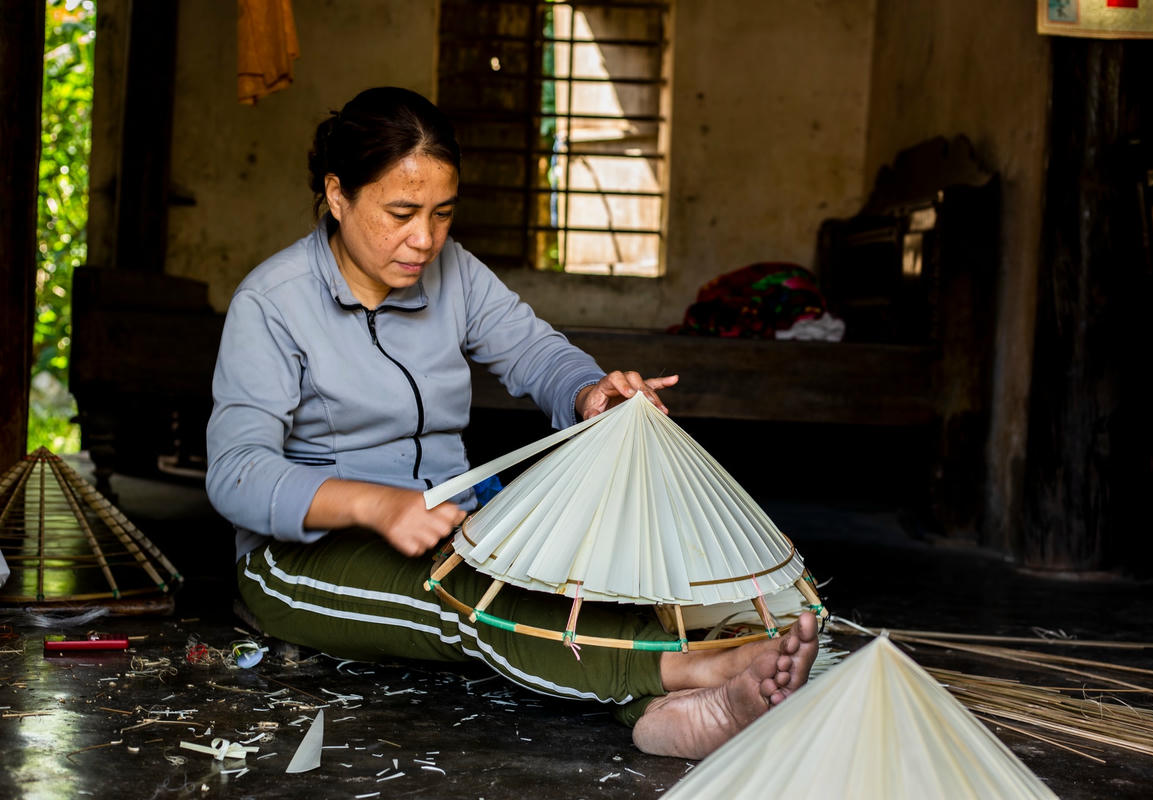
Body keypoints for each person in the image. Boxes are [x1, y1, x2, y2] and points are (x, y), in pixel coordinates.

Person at [206, 86, 818, 760]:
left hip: (453, 526)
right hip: (297, 560)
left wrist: (589, 393)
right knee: (477, 597)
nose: (425, 239)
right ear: (337, 194)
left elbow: (536, 352)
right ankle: (704, 669)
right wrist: (377, 506)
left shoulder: (454, 273)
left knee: (584, 564)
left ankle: (669, 717)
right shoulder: (273, 302)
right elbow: (238, 474)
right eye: (402, 212)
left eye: (442, 213)